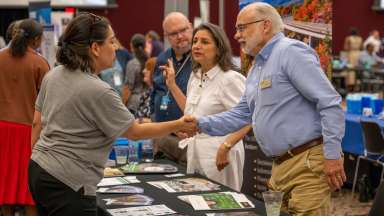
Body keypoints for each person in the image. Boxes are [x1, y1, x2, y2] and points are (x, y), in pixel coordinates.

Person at [27, 13, 196, 216]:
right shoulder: (99, 90)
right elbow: (134, 132)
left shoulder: (54, 74)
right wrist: (178, 124)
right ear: (95, 48)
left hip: (39, 168)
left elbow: (37, 122)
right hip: (70, 181)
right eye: (111, 41)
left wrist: (38, 158)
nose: (116, 47)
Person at [195, 3, 346, 215]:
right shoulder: (257, 66)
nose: (237, 35)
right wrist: (199, 124)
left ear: (265, 25)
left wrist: (331, 155)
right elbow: (242, 114)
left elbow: (329, 103)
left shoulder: (290, 52)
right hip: (280, 167)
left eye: (241, 28)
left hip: (307, 165)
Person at [162, 22, 246, 191]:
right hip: (196, 151)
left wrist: (226, 146)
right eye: (195, 41)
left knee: (221, 205)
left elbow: (248, 117)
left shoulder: (230, 78)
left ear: (219, 48)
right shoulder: (196, 75)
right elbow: (191, 111)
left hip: (221, 154)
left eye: (205, 42)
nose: (197, 46)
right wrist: (172, 85)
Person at [0, 18, 49, 216]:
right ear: (36, 40)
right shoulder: (39, 63)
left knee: (4, 181)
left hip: (2, 129)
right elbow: (48, 102)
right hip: (28, 131)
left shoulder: (0, 58)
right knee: (28, 187)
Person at [150, 12, 193, 164]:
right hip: (162, 137)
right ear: (167, 36)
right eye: (174, 33)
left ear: (191, 28)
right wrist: (154, 117)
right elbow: (155, 91)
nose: (180, 36)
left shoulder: (200, 58)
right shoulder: (162, 58)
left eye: (183, 30)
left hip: (187, 140)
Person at [123, 33, 149, 114]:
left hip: (134, 103)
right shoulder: (150, 61)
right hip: (147, 101)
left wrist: (122, 103)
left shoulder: (132, 64)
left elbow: (128, 87)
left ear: (132, 46)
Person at [136, 57, 157, 122]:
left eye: (148, 68)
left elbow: (164, 121)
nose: (143, 71)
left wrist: (142, 121)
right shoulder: (147, 93)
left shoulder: (164, 95)